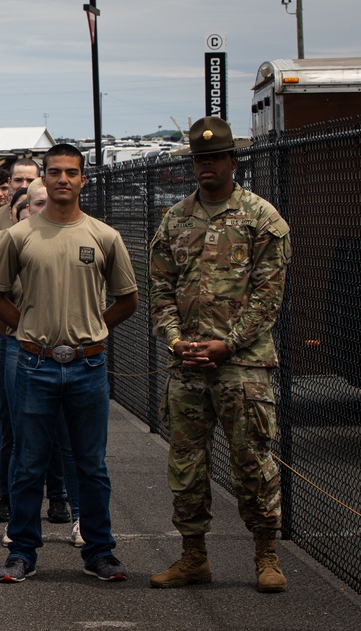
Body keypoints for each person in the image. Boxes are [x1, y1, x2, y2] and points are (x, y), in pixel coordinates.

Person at [149, 116, 290, 593]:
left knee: (252, 462)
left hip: (242, 366)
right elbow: (161, 291)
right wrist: (174, 341)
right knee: (186, 466)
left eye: (214, 158)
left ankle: (266, 555)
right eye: (199, 159)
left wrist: (227, 343)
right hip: (187, 366)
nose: (206, 166)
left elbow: (268, 298)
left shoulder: (261, 219)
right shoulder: (175, 219)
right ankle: (194, 558)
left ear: (233, 161)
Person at [0, 143, 138, 583]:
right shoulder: (20, 236)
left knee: (90, 464)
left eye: (71, 172)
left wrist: (96, 329)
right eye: (55, 172)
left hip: (88, 367)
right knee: (29, 462)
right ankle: (23, 551)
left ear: (83, 179)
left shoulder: (104, 236)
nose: (63, 180)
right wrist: (23, 328)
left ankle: (99, 551)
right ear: (44, 179)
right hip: (34, 364)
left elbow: (128, 298)